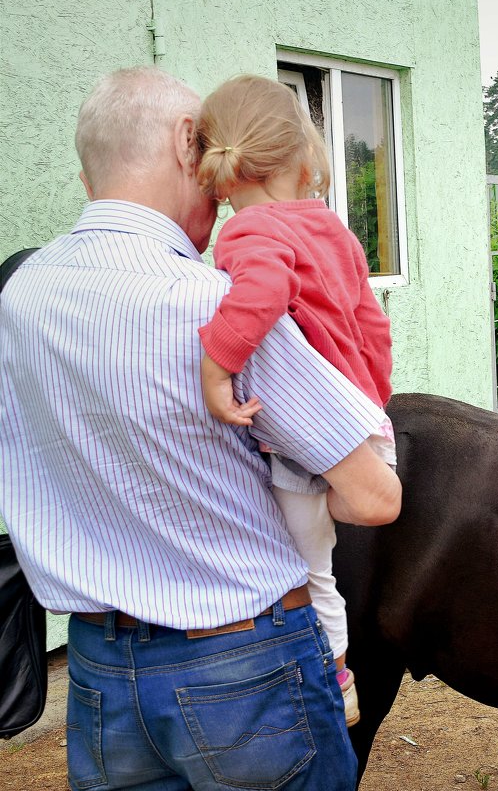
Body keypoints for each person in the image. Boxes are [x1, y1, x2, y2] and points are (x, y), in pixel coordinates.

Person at [0, 66, 402, 791]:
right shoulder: (212, 306)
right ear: (189, 144)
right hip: (244, 674)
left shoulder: (19, 296)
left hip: (96, 673)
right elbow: (374, 498)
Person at [193, 73, 395, 727]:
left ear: (220, 172)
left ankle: (337, 676)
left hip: (311, 433)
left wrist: (216, 371)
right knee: (330, 536)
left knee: (311, 571)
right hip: (362, 417)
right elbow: (372, 325)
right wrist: (372, 404)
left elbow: (259, 297)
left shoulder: (249, 234)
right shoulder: (330, 229)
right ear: (300, 157)